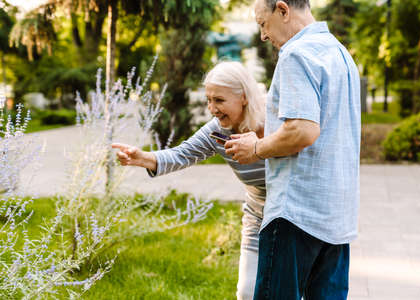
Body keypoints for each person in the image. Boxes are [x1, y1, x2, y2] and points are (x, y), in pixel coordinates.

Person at [225, 0, 361, 299]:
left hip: (296, 214)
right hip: (337, 216)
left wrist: (257, 148)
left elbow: (302, 129)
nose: (262, 35)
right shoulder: (340, 54)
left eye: (263, 23)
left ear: (283, 10)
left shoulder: (296, 54)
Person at [112, 61, 266, 300]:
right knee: (247, 292)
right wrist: (143, 158)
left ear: (244, 97)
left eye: (219, 100)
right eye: (209, 100)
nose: (212, 108)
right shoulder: (217, 132)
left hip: (293, 217)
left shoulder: (273, 123)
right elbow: (182, 154)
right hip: (257, 216)